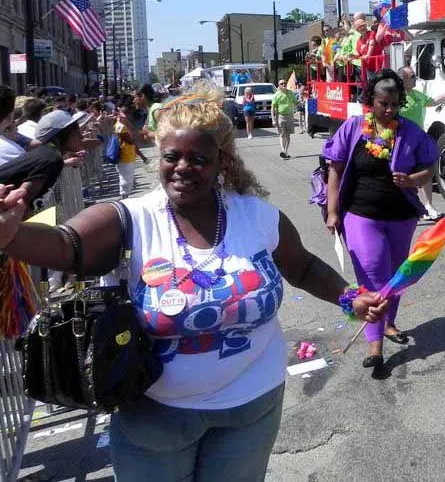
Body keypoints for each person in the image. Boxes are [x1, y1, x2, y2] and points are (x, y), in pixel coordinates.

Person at [0, 82, 386, 481]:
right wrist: (12, 234)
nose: (182, 167)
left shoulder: (256, 215)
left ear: (222, 163)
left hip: (251, 408)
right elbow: (66, 244)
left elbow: (301, 266)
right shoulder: (133, 219)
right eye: (172, 157)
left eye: (198, 159)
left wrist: (350, 297)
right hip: (154, 417)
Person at [322, 70, 439, 376]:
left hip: (401, 216)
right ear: (370, 100)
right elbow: (334, 170)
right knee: (373, 273)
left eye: (395, 104)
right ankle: (375, 347)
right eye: (383, 103)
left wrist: (412, 179)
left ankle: (389, 324)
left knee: (396, 276)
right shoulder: (353, 128)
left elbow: (429, 168)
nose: (389, 110)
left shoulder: (411, 132)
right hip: (360, 214)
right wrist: (332, 212)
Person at [397, 66, 445, 220]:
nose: (415, 78)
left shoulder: (417, 94)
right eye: (412, 76)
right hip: (402, 142)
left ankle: (428, 206)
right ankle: (403, 208)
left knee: (426, 172)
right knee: (402, 175)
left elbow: (434, 101)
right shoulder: (396, 97)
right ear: (403, 80)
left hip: (419, 139)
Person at [0, 109, 86, 207]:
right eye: (77, 132)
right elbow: (22, 203)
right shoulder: (50, 159)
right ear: (63, 135)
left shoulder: (50, 154)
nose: (82, 136)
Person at [114, 104, 148, 200]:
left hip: (129, 155)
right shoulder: (120, 126)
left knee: (128, 178)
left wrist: (142, 156)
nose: (129, 117)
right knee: (125, 178)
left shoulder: (123, 125)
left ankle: (125, 197)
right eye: (127, 114)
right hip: (124, 156)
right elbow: (131, 140)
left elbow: (133, 142)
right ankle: (124, 198)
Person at [271, 79, 296, 160]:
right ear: (279, 85)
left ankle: (285, 151)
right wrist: (273, 119)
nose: (284, 84)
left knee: (288, 135)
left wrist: (303, 101)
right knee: (282, 134)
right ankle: (283, 150)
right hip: (280, 116)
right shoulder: (276, 95)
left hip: (290, 116)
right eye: (282, 83)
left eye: (285, 83)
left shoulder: (290, 93)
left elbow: (295, 102)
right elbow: (272, 109)